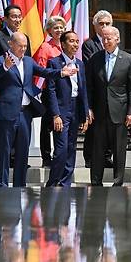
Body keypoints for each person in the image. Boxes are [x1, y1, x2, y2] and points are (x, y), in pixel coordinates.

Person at [0, 32, 77, 187]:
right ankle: (1, 186)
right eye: (20, 46)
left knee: (22, 152)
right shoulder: (1, 60)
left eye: (25, 46)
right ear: (11, 44)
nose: (23, 49)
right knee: (3, 152)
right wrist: (6, 66)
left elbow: (44, 72)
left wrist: (60, 73)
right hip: (7, 113)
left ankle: (19, 185)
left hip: (25, 113)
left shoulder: (29, 61)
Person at [86, 26, 131, 186]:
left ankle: (118, 182)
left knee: (119, 150)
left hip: (120, 111)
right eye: (103, 38)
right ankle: (96, 181)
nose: (106, 41)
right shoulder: (95, 59)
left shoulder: (128, 59)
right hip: (99, 111)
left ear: (118, 39)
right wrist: (88, 108)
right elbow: (89, 86)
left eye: (109, 38)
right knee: (97, 150)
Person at [44, 31, 89, 187]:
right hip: (62, 109)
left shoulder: (80, 64)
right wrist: (55, 115)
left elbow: (83, 90)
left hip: (76, 108)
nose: (75, 44)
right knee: (61, 149)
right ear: (63, 44)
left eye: (77, 41)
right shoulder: (54, 63)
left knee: (71, 148)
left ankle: (65, 183)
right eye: (71, 41)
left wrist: (85, 114)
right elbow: (50, 90)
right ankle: (53, 182)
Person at [81, 10, 113, 168]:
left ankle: (107, 156)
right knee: (94, 127)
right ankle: (89, 157)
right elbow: (91, 67)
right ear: (95, 27)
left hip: (111, 92)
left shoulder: (114, 43)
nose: (105, 26)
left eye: (107, 23)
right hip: (95, 90)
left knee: (108, 127)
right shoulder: (89, 44)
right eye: (101, 24)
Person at [35, 15, 66, 167]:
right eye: (56, 28)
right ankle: (46, 157)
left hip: (65, 92)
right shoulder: (45, 47)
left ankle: (59, 156)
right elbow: (41, 69)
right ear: (49, 31)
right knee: (48, 124)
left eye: (61, 27)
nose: (59, 30)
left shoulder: (66, 46)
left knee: (61, 124)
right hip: (50, 90)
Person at [0, 4, 31, 94]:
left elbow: (28, 62)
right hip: (5, 85)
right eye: (14, 17)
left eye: (19, 16)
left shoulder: (24, 37)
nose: (18, 20)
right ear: (5, 19)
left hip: (22, 85)